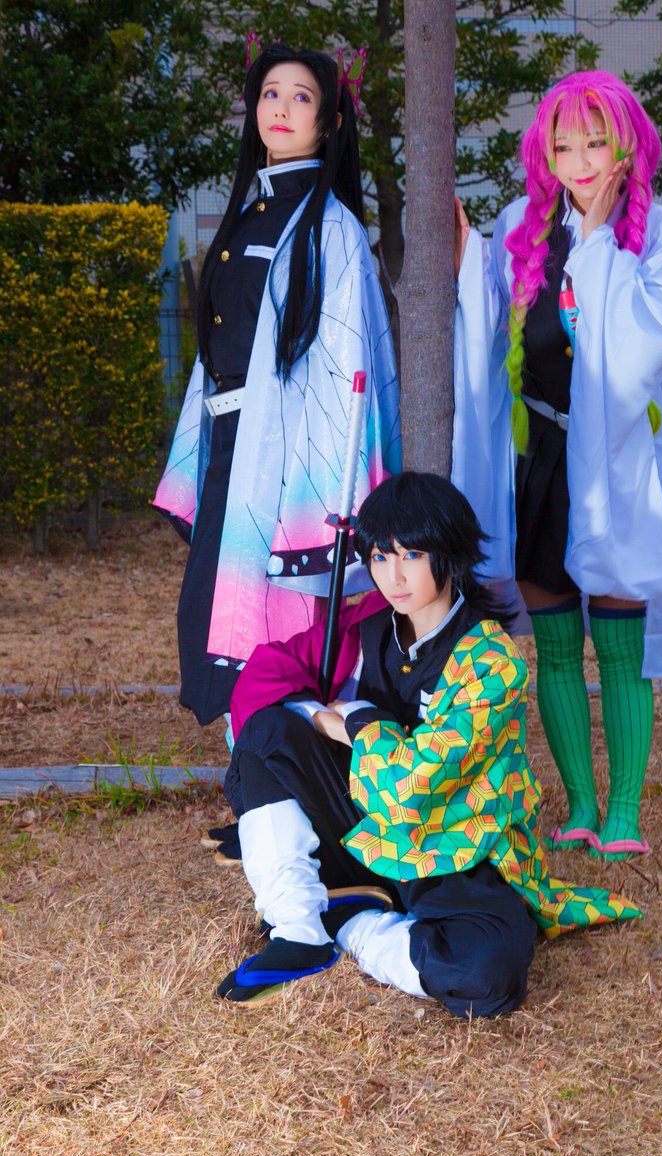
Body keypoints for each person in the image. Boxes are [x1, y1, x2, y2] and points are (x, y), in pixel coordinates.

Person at [217, 472, 642, 1018]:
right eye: (379, 557)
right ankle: (298, 931)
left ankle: (349, 922)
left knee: (487, 976)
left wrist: (357, 721)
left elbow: (414, 786)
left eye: (411, 556)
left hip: (457, 845)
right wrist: (318, 718)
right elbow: (270, 682)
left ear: (451, 554)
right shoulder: (371, 625)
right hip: (368, 828)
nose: (392, 576)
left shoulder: (492, 661)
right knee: (267, 731)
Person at [453, 70, 662, 861]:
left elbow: (644, 345)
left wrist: (599, 242)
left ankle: (624, 810)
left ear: (629, 144)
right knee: (558, 643)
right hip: (544, 460)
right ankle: (580, 806)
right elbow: (489, 324)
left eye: (597, 142)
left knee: (621, 644)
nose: (582, 162)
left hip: (622, 464)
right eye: (564, 147)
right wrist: (465, 256)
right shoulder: (523, 227)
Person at [153, 43, 400, 728]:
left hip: (291, 460)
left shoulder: (334, 230)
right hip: (230, 441)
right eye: (270, 93)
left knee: (282, 625)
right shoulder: (248, 216)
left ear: (330, 121)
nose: (282, 108)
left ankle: (281, 782)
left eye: (301, 97)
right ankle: (251, 777)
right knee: (217, 614)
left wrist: (326, 499)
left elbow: (347, 377)